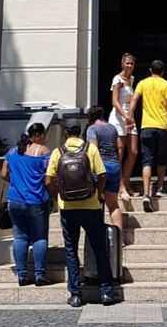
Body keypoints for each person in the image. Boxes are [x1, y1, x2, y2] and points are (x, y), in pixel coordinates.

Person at [45, 120, 118, 308]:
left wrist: (58, 197)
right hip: (91, 205)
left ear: (65, 133)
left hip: (68, 207)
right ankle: (106, 292)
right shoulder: (90, 150)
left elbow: (48, 181)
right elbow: (102, 175)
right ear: (81, 133)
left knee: (71, 250)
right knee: (99, 248)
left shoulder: (57, 152)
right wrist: (98, 194)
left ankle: (76, 294)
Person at [0, 123, 51, 288]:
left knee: (20, 237)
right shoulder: (43, 151)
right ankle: (39, 275)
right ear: (38, 135)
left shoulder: (12, 151)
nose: (44, 138)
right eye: (44, 135)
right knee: (39, 237)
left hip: (15, 200)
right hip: (36, 200)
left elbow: (3, 174)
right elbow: (50, 175)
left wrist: (16, 182)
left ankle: (22, 275)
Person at [127, 60, 167, 212]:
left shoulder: (142, 83)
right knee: (162, 160)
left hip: (147, 127)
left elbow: (134, 100)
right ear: (163, 71)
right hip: (162, 127)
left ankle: (146, 194)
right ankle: (159, 187)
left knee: (147, 162)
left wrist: (130, 116)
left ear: (150, 70)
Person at [86, 107, 123, 234]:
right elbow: (120, 146)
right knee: (113, 205)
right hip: (114, 165)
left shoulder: (92, 129)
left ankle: (97, 234)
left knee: (96, 202)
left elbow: (93, 149)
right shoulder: (112, 128)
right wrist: (117, 161)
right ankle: (119, 236)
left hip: (101, 167)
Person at [108, 53, 138, 200]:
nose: (129, 66)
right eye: (127, 63)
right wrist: (125, 116)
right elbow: (114, 101)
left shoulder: (132, 79)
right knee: (120, 151)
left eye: (131, 64)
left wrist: (130, 115)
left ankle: (126, 182)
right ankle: (121, 186)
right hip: (119, 117)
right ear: (122, 64)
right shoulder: (117, 79)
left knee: (133, 151)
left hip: (129, 117)